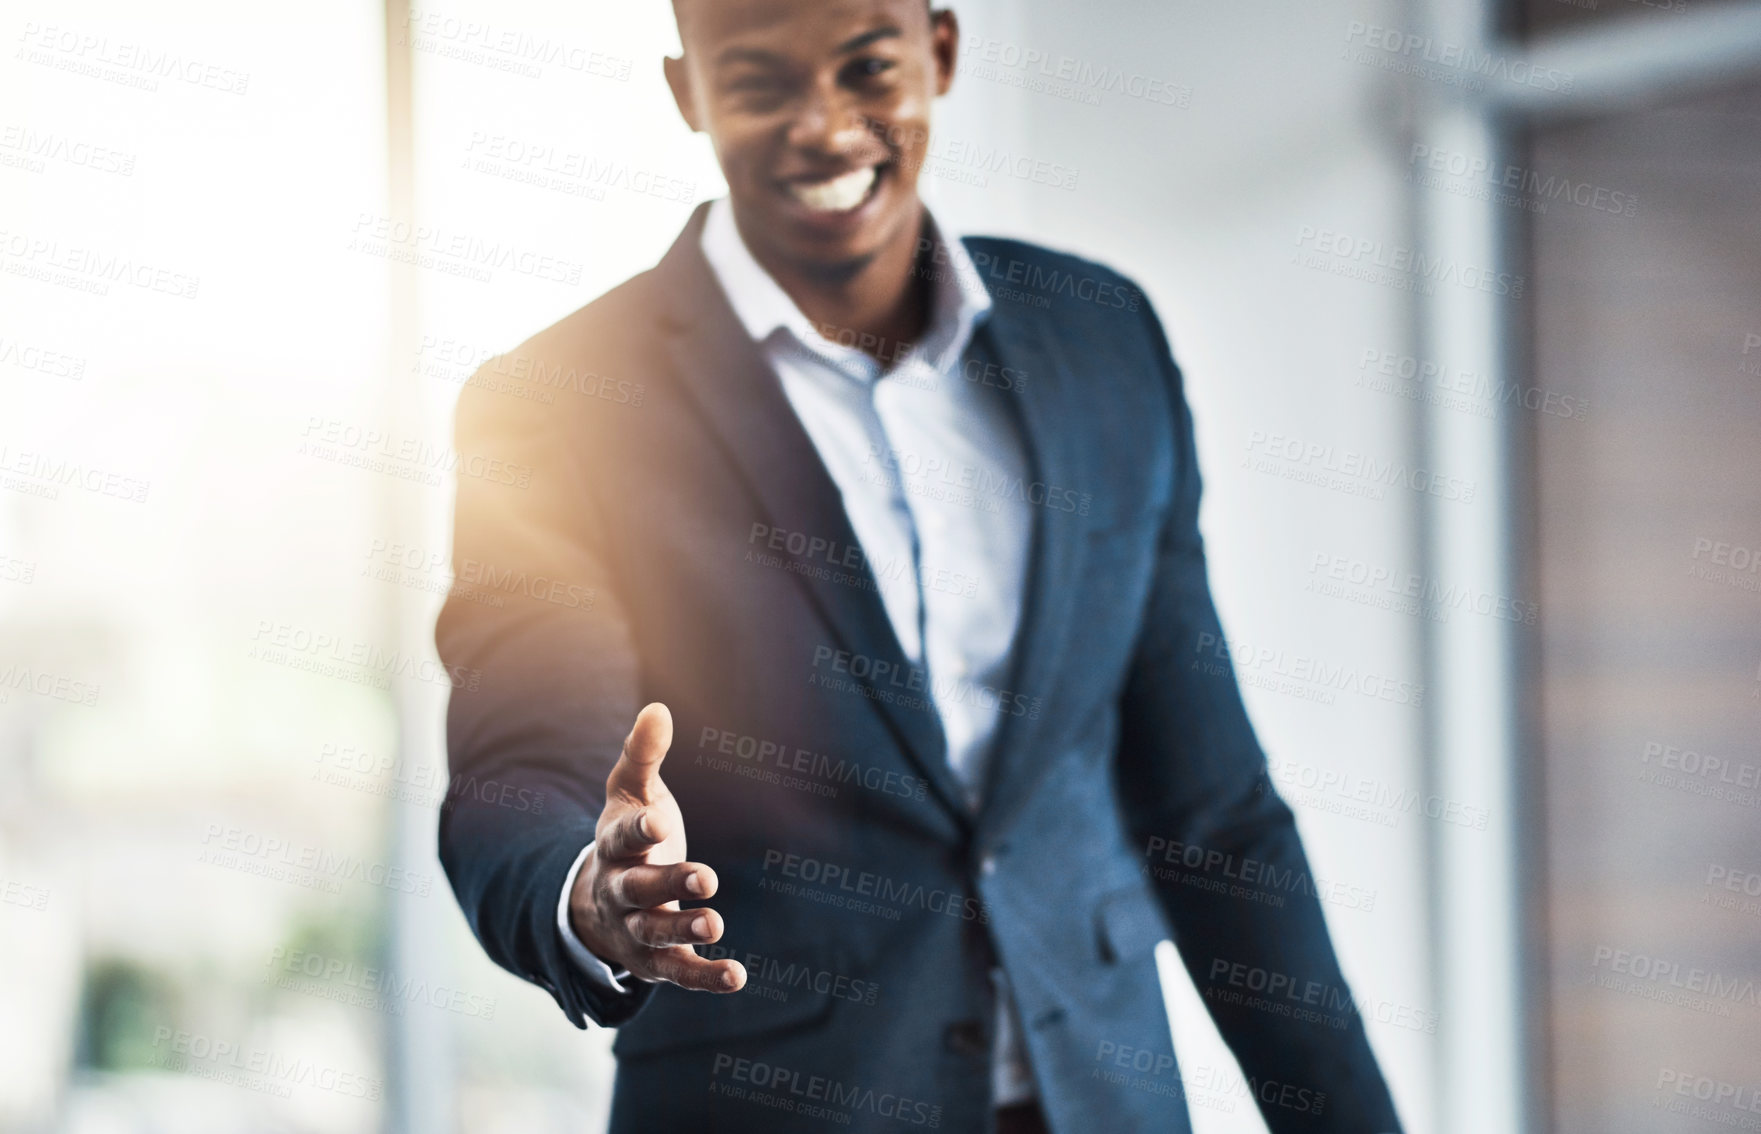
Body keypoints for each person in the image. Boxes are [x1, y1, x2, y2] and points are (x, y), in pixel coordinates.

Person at [436, 1, 1404, 1130]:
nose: (826, 126)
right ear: (687, 92)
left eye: (866, 68)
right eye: (758, 83)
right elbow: (523, 766)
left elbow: (1213, 811)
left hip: (1101, 1095)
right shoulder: (558, 405)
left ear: (939, 54)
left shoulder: (1103, 339)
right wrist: (591, 900)